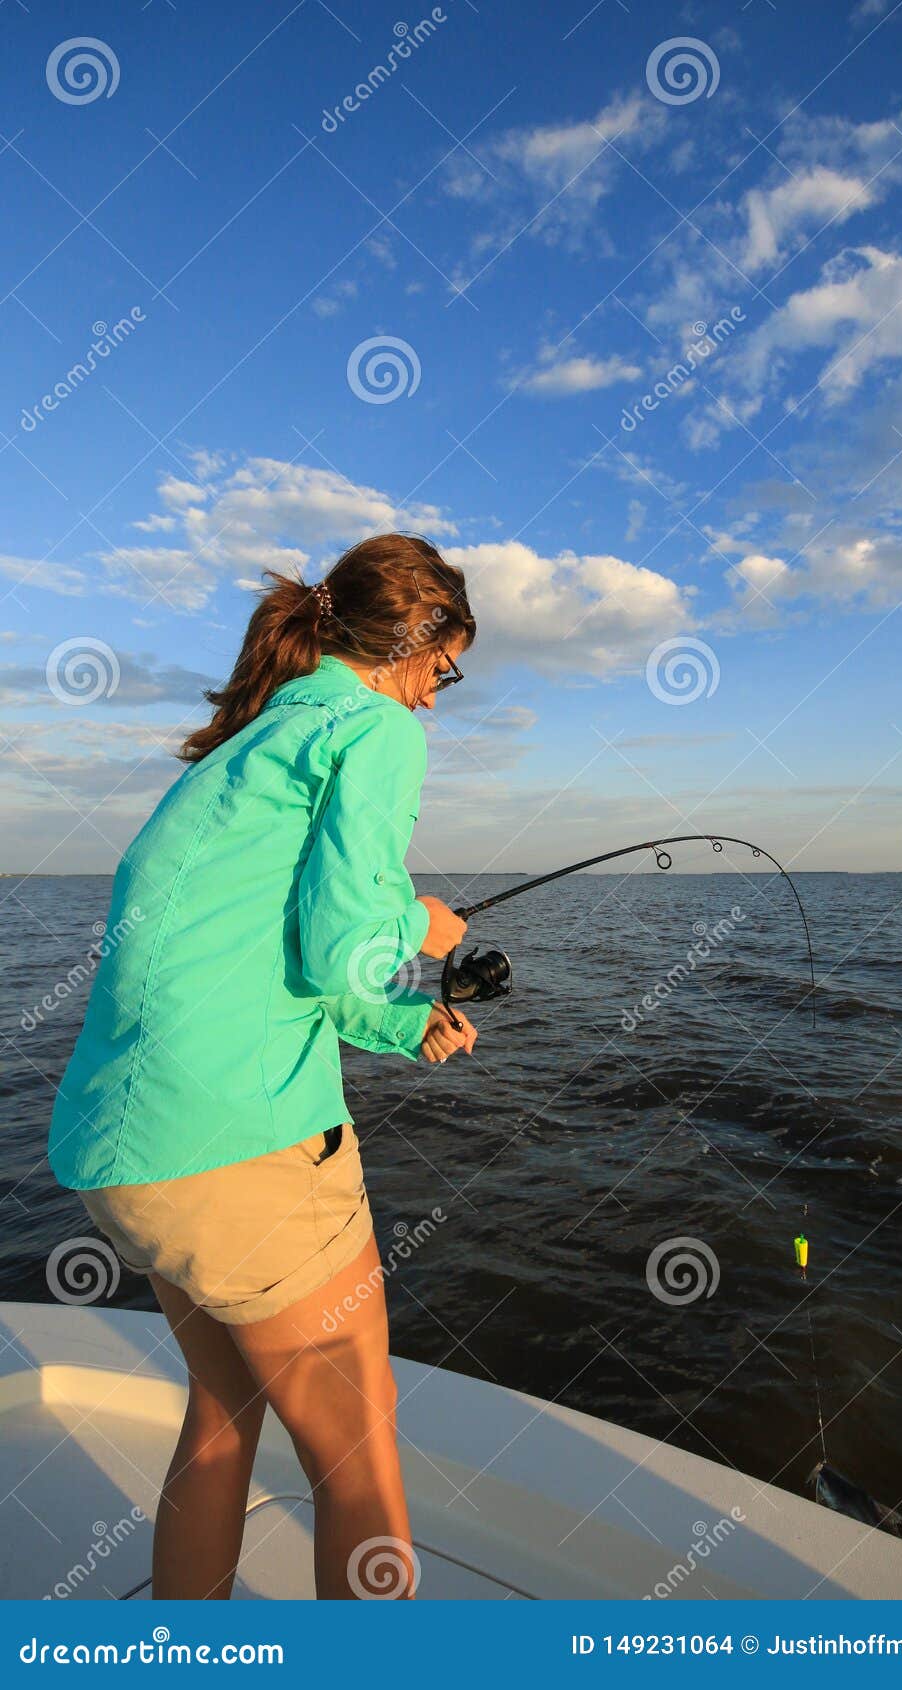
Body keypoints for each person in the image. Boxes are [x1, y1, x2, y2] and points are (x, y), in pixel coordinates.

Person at [47, 533, 478, 1600]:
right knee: (359, 1461)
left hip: (129, 1158)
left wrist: (400, 1020)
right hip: (241, 1157)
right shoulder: (369, 728)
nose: (432, 701)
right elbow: (345, 946)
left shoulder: (248, 744)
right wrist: (419, 932)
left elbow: (281, 955)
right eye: (441, 670)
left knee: (220, 1416)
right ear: (404, 649)